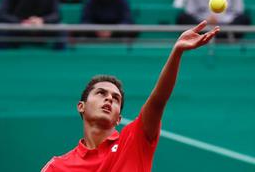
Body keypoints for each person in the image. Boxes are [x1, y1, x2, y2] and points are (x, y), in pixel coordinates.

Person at [41, 20, 220, 171]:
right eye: (101, 93)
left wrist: (177, 52)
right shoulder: (57, 166)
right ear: (81, 106)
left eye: (116, 98)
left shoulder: (134, 140)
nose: (109, 98)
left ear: (118, 118)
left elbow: (158, 101)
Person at [0, 0, 65, 50]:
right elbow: (2, 14)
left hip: (41, 29)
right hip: (16, 29)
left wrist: (42, 20)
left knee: (61, 28)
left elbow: (57, 15)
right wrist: (21, 22)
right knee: (2, 29)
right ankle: (1, 58)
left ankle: (60, 58)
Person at [176, 0, 251, 39]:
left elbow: (238, 11)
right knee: (183, 17)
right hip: (202, 25)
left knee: (244, 18)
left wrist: (220, 19)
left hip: (227, 25)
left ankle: (219, 37)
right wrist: (206, 20)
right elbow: (190, 12)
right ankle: (205, 37)